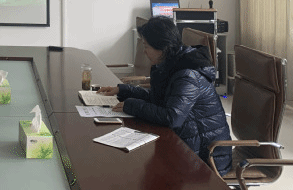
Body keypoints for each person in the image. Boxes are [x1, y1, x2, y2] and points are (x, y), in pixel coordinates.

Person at [98, 16, 232, 175]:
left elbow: (172, 117)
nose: (144, 51)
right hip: (188, 144)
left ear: (162, 47)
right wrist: (123, 91)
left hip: (206, 158)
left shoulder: (187, 75)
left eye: (146, 46)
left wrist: (131, 105)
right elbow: (159, 99)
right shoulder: (171, 64)